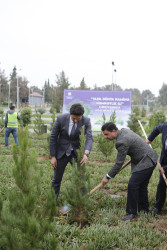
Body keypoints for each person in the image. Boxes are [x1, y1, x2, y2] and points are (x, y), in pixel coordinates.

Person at [100, 122, 158, 221]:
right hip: (150, 158)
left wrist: (108, 176)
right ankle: (144, 209)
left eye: (106, 134)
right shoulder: (124, 131)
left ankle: (131, 213)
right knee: (141, 186)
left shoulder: (121, 141)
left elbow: (119, 163)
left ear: (114, 131)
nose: (105, 137)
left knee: (133, 185)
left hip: (146, 162)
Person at [49, 103, 93, 203]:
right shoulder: (61, 119)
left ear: (82, 115)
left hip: (77, 154)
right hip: (61, 153)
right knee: (56, 179)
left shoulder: (86, 121)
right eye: (73, 118)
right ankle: (52, 202)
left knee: (80, 178)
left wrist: (86, 153)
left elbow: (89, 138)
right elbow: (53, 137)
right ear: (70, 114)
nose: (76, 120)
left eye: (78, 118)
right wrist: (53, 156)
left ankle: (81, 202)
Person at [146, 122, 167, 215]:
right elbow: (157, 129)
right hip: (165, 159)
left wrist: (165, 169)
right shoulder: (165, 126)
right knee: (162, 184)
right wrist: (149, 139)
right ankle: (158, 206)